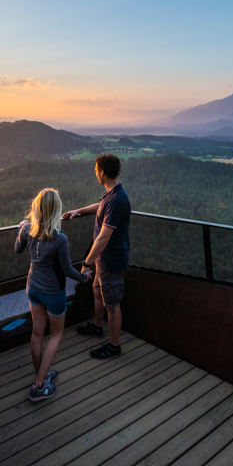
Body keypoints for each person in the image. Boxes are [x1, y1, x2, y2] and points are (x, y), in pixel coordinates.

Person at [15, 188, 92, 401]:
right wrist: (84, 278)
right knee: (56, 335)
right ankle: (39, 387)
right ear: (56, 211)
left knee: (37, 334)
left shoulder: (27, 229)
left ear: (37, 209)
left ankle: (41, 374)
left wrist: (21, 228)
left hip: (33, 288)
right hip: (53, 292)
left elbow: (17, 249)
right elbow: (67, 270)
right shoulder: (60, 239)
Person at [63, 154, 131, 359]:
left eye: (95, 171)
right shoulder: (112, 194)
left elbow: (103, 238)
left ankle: (114, 346)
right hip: (103, 260)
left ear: (102, 172)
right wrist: (80, 211)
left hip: (110, 260)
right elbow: (100, 207)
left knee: (112, 304)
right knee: (98, 293)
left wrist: (86, 263)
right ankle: (96, 327)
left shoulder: (118, 199)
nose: (95, 174)